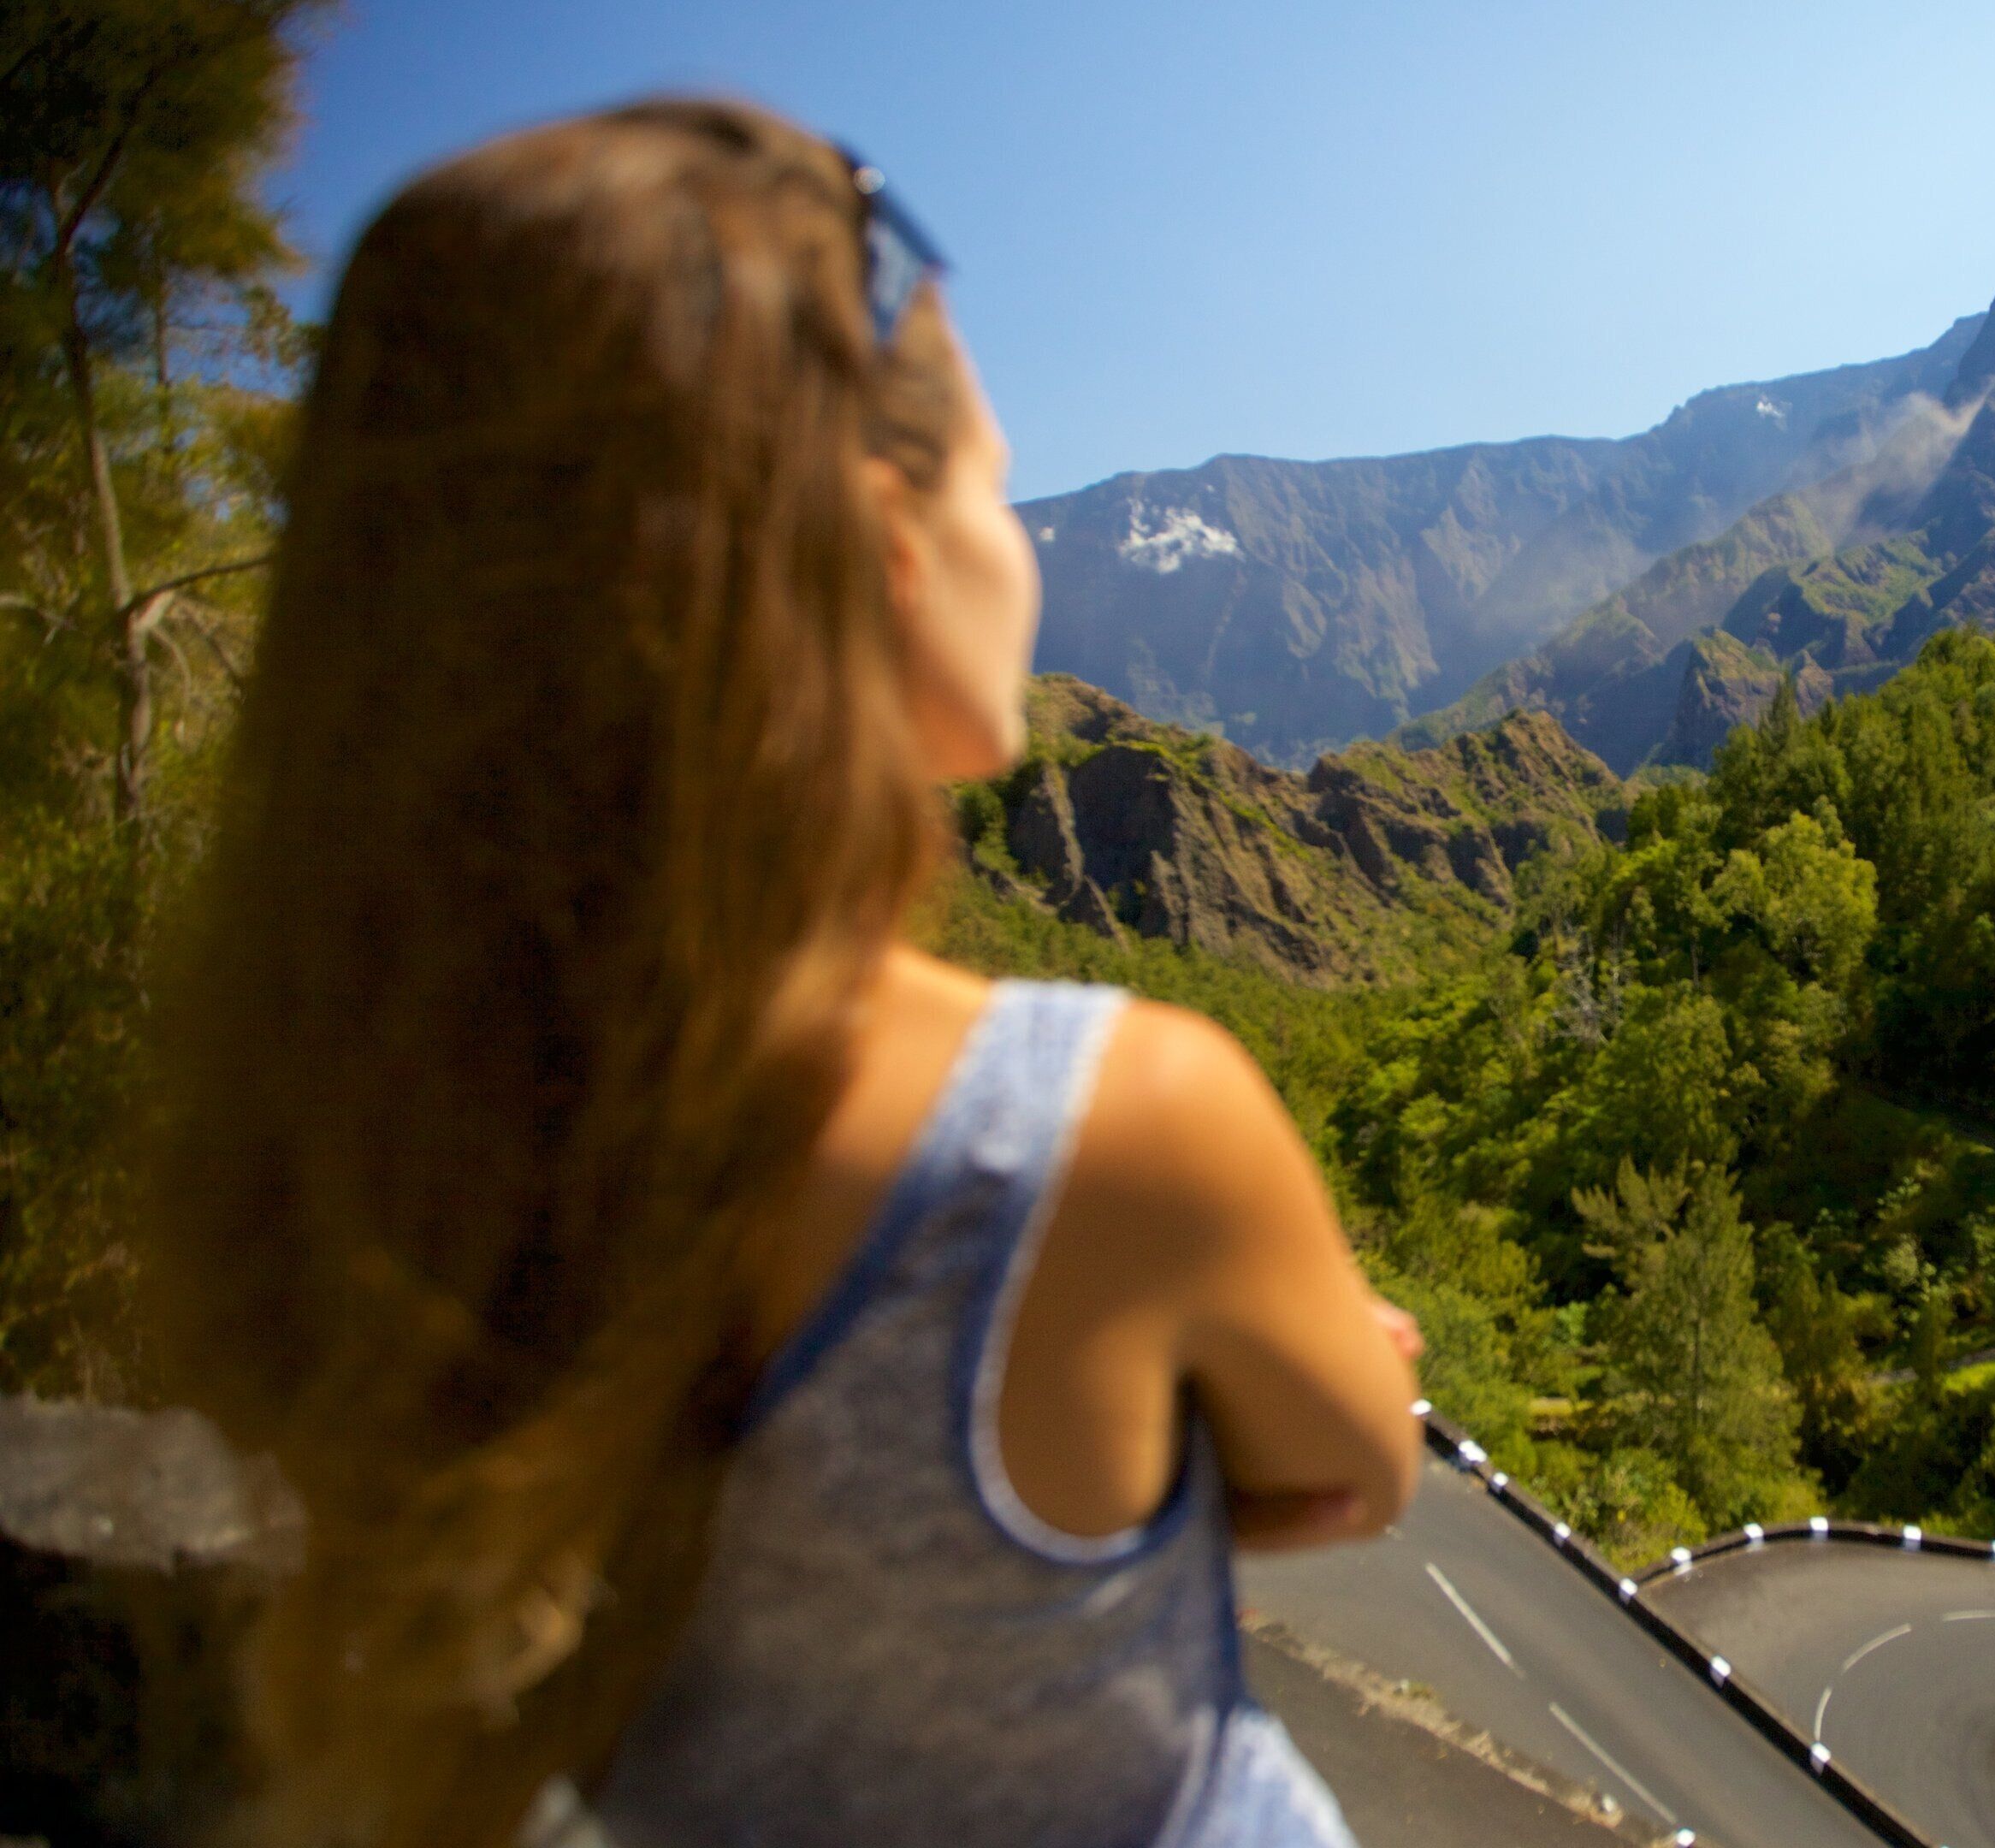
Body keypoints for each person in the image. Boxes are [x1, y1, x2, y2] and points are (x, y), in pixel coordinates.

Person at [142, 98, 1419, 1848]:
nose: (1019, 529)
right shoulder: (1119, 1123)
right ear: (886, 554)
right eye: (988, 471)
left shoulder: (380, 1157)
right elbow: (1360, 1457)